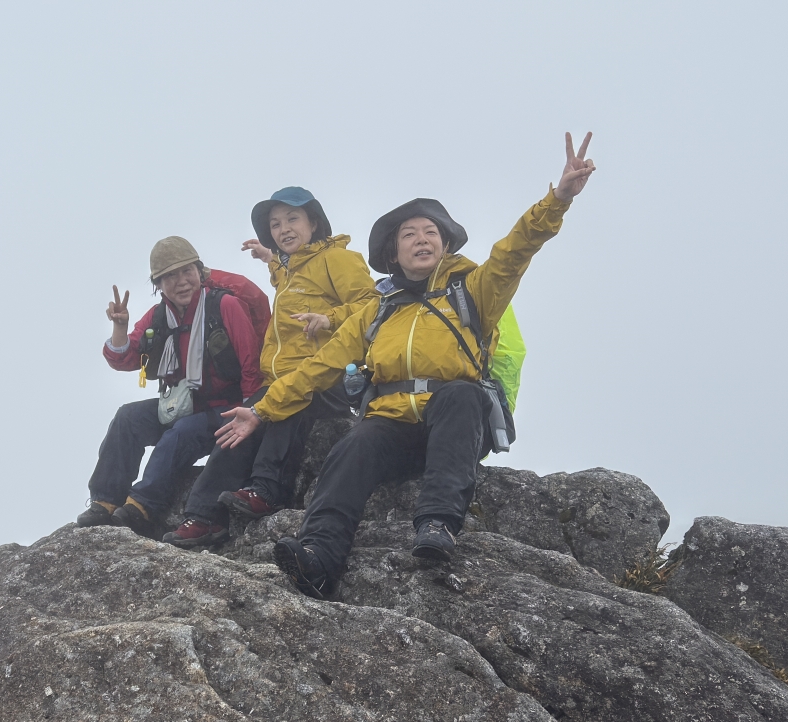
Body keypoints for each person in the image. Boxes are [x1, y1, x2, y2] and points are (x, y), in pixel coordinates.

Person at [214, 133, 596, 598]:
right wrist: (261, 410)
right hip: (393, 428)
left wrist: (557, 200)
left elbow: (515, 250)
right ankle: (318, 557)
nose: (421, 239)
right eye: (409, 234)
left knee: (460, 393)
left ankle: (437, 523)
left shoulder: (473, 290)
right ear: (393, 253)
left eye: (430, 232)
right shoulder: (377, 309)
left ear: (445, 244)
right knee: (356, 442)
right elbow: (321, 366)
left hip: (452, 426)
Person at [164, 186, 374, 548]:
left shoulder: (339, 259)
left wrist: (330, 318)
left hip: (331, 377)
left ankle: (266, 489)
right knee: (238, 421)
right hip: (285, 375)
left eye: (292, 219)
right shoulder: (291, 268)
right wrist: (270, 260)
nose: (283, 229)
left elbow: (373, 306)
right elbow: (290, 279)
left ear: (314, 222)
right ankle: (202, 516)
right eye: (275, 224)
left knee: (287, 403)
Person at [80, 236, 267, 539]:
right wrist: (119, 327)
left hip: (225, 408)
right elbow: (124, 358)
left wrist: (249, 413)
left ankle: (143, 506)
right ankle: (106, 499)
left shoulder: (225, 305)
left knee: (179, 434)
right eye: (169, 276)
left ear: (199, 271)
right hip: (183, 404)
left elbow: (250, 364)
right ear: (158, 284)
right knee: (127, 418)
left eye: (186, 271)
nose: (181, 281)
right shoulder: (159, 316)